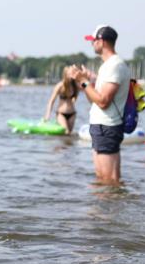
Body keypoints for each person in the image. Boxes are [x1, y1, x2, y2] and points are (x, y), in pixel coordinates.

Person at [70, 25, 131, 185]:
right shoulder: (107, 65)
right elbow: (95, 101)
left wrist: (83, 82)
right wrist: (85, 83)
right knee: (102, 180)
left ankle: (109, 209)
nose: (92, 44)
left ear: (101, 41)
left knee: (108, 181)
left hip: (107, 127)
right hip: (101, 127)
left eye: (93, 41)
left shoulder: (115, 65)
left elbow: (103, 101)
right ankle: (106, 209)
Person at [43, 66, 81, 133]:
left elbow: (86, 86)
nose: (72, 75)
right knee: (66, 131)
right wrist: (47, 115)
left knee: (69, 134)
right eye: (70, 73)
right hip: (61, 114)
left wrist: (85, 80)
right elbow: (51, 101)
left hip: (72, 114)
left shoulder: (75, 85)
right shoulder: (60, 86)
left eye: (73, 73)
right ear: (65, 74)